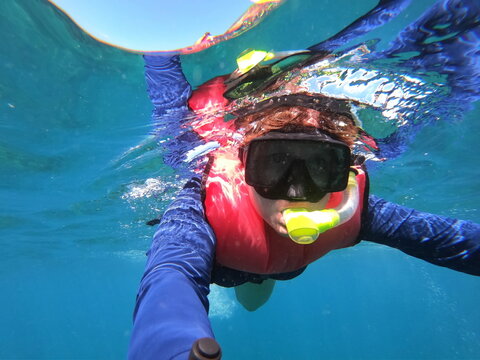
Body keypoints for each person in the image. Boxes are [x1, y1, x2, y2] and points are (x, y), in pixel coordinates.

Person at [128, 54, 480, 359]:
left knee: (259, 291)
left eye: (321, 168)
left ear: (345, 170)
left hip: (282, 266)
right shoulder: (201, 200)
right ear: (243, 164)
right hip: (226, 265)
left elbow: (447, 239)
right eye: (274, 165)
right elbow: (170, 275)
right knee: (251, 297)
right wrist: (172, 351)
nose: (296, 191)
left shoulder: (355, 206)